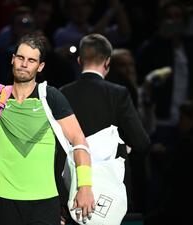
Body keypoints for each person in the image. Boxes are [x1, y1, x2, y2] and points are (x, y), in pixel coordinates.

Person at [0, 2, 95, 225]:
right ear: (12, 59)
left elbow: (79, 141)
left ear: (40, 66)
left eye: (32, 60)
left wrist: (85, 186)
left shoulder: (50, 97)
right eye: (21, 58)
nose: (25, 64)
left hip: (45, 202)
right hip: (4, 202)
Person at [59, 34, 150, 221]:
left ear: (79, 61)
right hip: (111, 191)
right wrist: (124, 145)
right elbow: (141, 142)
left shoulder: (62, 93)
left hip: (71, 186)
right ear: (108, 62)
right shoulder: (118, 94)